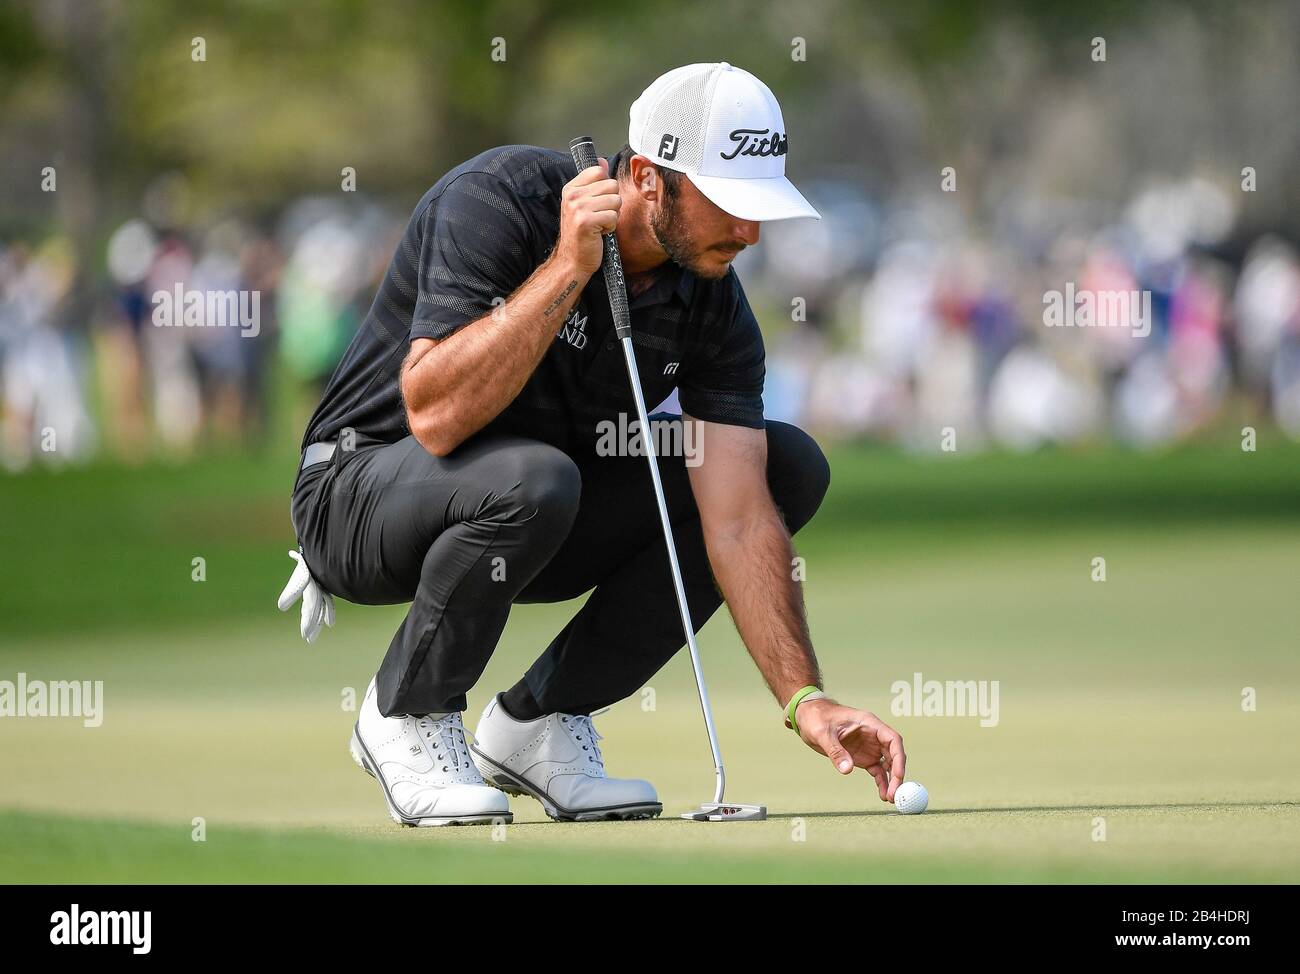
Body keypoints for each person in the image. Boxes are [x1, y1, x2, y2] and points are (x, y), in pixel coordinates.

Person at [279, 62, 906, 825]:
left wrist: (803, 698)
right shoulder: (499, 198)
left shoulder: (713, 302)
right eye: (730, 204)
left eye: (761, 207)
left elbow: (738, 517)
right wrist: (568, 269)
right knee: (536, 478)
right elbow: (435, 415)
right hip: (358, 494)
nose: (750, 233)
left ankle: (538, 725)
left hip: (535, 508)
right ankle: (405, 713)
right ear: (647, 177)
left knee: (787, 467)